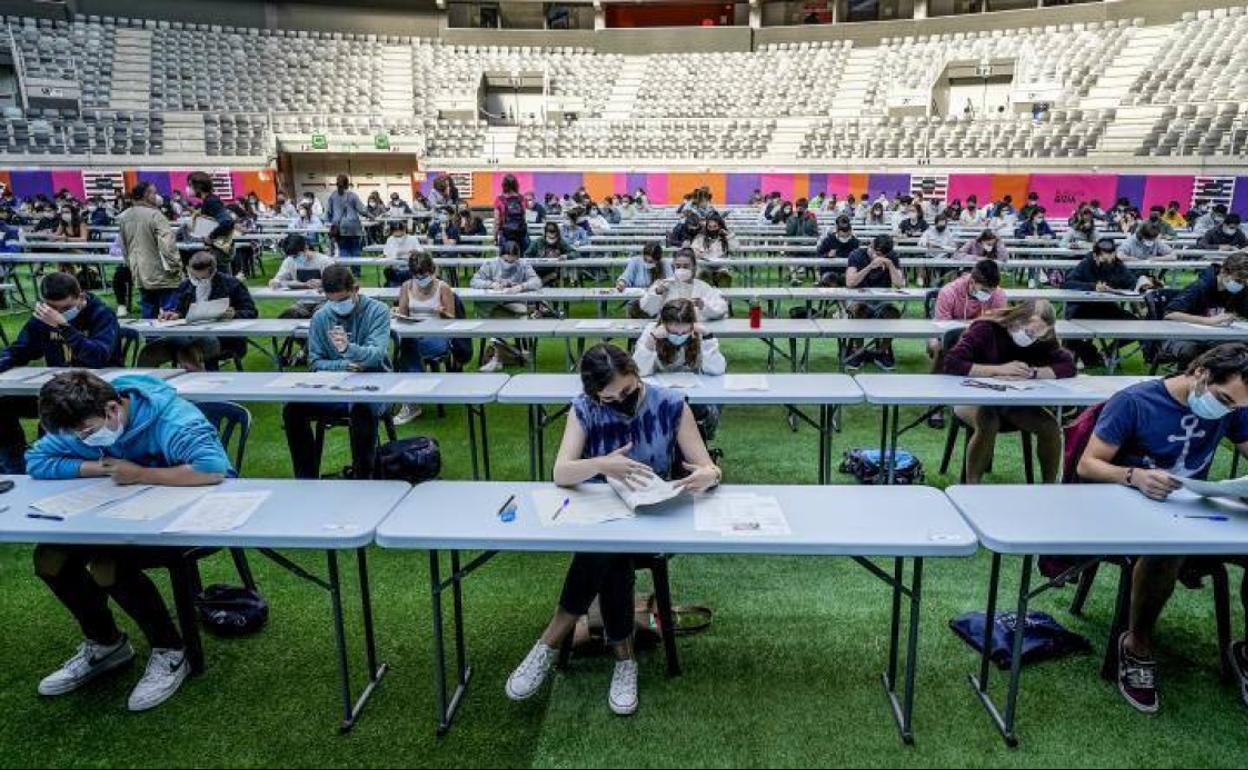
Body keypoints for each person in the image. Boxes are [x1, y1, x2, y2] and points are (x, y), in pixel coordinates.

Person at [504, 343, 721, 717]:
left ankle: (551, 641)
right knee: (610, 549)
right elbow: (561, 472)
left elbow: (708, 468)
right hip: (600, 521)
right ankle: (624, 659)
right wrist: (603, 464)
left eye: (628, 390)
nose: (622, 401)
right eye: (609, 398)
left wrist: (707, 475)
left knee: (605, 549)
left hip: (656, 520)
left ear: (637, 374)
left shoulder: (670, 403)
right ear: (593, 395)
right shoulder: (584, 408)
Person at [27, 370, 231, 712]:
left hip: (187, 513)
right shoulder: (83, 421)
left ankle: (170, 650)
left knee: (108, 564)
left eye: (87, 431)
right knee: (49, 559)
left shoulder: (173, 419)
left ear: (112, 409)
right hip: (110, 513)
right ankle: (106, 643)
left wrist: (139, 474)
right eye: (75, 434)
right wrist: (101, 467)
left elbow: (212, 469)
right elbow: (37, 459)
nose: (81, 438)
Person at [1075, 343, 1248, 714]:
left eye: (1236, 407)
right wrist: (1133, 475)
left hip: (1192, 506)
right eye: (1223, 399)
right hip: (1133, 506)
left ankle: (1246, 651)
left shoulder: (1233, 407)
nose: (1227, 410)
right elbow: (1088, 465)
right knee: (1167, 549)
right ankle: (1135, 644)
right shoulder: (1135, 401)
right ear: (1201, 373)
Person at [943, 300, 1076, 483]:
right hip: (972, 397)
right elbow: (952, 363)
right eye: (1030, 332)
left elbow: (1068, 365)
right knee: (988, 421)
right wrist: (998, 370)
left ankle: (1049, 486)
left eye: (1038, 336)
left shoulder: (1043, 338)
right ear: (1018, 319)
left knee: (1050, 427)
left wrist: (1033, 373)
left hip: (1012, 400)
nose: (1032, 339)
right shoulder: (986, 329)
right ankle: (971, 486)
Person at [0, 273, 121, 472]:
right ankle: (15, 467)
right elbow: (20, 350)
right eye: (52, 308)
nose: (57, 313)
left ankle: (50, 458)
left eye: (65, 308)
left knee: (57, 414)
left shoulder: (101, 314)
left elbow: (98, 357)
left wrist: (64, 327)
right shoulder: (42, 318)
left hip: (94, 390)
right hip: (57, 389)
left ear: (80, 297)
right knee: (3, 404)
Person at [282, 265, 391, 479]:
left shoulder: (378, 310)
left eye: (342, 300)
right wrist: (343, 365)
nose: (338, 307)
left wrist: (347, 349)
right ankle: (306, 478)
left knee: (362, 408)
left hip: (374, 384)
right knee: (293, 408)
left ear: (356, 289)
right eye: (332, 301)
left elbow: (376, 355)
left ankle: (363, 476)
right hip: (333, 386)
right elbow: (315, 362)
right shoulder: (321, 317)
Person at [137, 251, 257, 372]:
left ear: (212, 271)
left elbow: (251, 312)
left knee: (193, 347)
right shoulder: (186, 285)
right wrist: (175, 314)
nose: (198, 280)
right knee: (150, 352)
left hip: (224, 338)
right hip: (189, 334)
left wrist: (234, 314)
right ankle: (146, 383)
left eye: (203, 277)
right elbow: (182, 311)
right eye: (194, 277)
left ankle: (201, 379)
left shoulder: (232, 284)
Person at [633, 298, 727, 438]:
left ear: (692, 326)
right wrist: (651, 342)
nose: (679, 337)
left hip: (693, 393)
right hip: (661, 392)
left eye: (684, 333)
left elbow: (717, 369)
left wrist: (708, 338)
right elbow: (638, 371)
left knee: (700, 407)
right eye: (674, 333)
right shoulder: (651, 332)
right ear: (664, 326)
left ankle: (703, 435)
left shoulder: (700, 334)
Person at [393, 253, 456, 425]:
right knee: (408, 343)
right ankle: (414, 397)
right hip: (413, 334)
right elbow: (403, 315)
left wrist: (443, 313)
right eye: (417, 275)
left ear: (432, 271)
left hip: (438, 336)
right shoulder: (406, 286)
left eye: (424, 275)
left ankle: (412, 401)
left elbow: (453, 320)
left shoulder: (443, 287)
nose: (421, 278)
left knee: (405, 349)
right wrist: (397, 314)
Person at [1063, 237, 1140, 367]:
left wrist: (1143, 285)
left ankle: (1107, 352)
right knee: (1073, 334)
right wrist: (1093, 287)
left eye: (1112, 257)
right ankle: (1085, 353)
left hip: (1106, 307)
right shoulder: (1086, 264)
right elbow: (1068, 283)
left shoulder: (1117, 264)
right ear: (1095, 256)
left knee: (1138, 326)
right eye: (1105, 259)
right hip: (1081, 309)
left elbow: (1132, 281)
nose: (1109, 261)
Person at [1161, 253, 1248, 366]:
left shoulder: (1239, 290)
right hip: (1182, 335)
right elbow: (1170, 314)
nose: (1241, 284)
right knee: (1192, 350)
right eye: (1238, 281)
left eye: (1245, 282)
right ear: (1224, 272)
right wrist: (1208, 321)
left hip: (1214, 335)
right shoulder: (1200, 286)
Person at [472, 241, 543, 373]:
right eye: (506, 260)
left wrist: (521, 286)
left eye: (512, 261)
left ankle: (496, 357)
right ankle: (503, 355)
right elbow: (474, 281)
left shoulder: (523, 265)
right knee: (508, 313)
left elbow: (537, 281)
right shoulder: (490, 264)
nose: (509, 263)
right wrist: (491, 284)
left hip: (514, 304)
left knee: (510, 313)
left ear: (518, 258)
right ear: (500, 257)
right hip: (492, 304)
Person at [117, 181, 181, 318]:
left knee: (148, 310)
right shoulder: (155, 215)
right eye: (154, 192)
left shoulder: (124, 216)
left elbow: (122, 245)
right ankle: (167, 340)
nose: (156, 196)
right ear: (146, 195)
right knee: (168, 313)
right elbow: (167, 243)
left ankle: (151, 339)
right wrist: (176, 264)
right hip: (162, 270)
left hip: (139, 270)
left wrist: (131, 265)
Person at [844, 234, 905, 371]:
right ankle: (858, 351)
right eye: (876, 252)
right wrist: (870, 266)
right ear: (871, 245)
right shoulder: (856, 255)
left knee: (892, 313)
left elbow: (900, 284)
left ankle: (881, 352)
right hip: (858, 298)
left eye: (882, 255)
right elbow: (850, 282)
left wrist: (889, 264)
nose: (878, 256)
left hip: (881, 300)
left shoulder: (892, 257)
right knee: (860, 310)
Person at [928, 259, 1007, 362]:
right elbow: (943, 327)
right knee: (936, 344)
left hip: (983, 335)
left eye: (991, 291)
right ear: (972, 282)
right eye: (984, 291)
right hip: (952, 335)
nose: (988, 295)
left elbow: (1001, 323)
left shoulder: (998, 294)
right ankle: (941, 372)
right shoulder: (948, 292)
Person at [639, 249, 728, 321]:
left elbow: (721, 310)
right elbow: (648, 309)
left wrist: (703, 306)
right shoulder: (663, 285)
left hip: (695, 332)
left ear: (694, 267)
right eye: (678, 266)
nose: (681, 269)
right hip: (667, 331)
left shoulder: (703, 287)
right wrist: (657, 293)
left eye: (686, 266)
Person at [267, 233, 335, 317]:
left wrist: (322, 283)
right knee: (287, 316)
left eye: (297, 256)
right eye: (292, 257)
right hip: (302, 302)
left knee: (320, 315)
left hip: (324, 301)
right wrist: (275, 282)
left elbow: (336, 283)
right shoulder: (289, 261)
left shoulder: (325, 261)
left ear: (306, 248)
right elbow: (279, 279)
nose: (295, 259)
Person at [325, 174, 369, 259]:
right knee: (355, 250)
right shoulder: (352, 195)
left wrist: (332, 222)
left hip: (339, 227)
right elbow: (362, 210)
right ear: (347, 183)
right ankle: (356, 272)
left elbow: (329, 212)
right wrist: (372, 216)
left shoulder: (333, 196)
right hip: (354, 227)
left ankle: (345, 271)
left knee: (343, 250)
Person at [689, 213, 735, 288]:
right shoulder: (700, 238)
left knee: (724, 276)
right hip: (704, 266)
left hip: (721, 267)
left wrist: (728, 236)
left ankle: (723, 297)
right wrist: (698, 253)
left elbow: (735, 249)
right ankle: (706, 296)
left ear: (720, 227)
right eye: (710, 227)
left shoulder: (726, 238)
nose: (712, 229)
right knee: (703, 275)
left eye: (715, 227)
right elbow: (693, 250)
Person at [814, 215, 859, 287]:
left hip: (847, 271)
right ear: (837, 231)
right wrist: (828, 255)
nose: (845, 236)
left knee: (850, 279)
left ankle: (842, 297)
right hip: (829, 270)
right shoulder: (828, 240)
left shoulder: (855, 242)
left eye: (847, 233)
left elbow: (858, 260)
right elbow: (818, 257)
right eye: (842, 234)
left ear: (850, 231)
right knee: (830, 278)